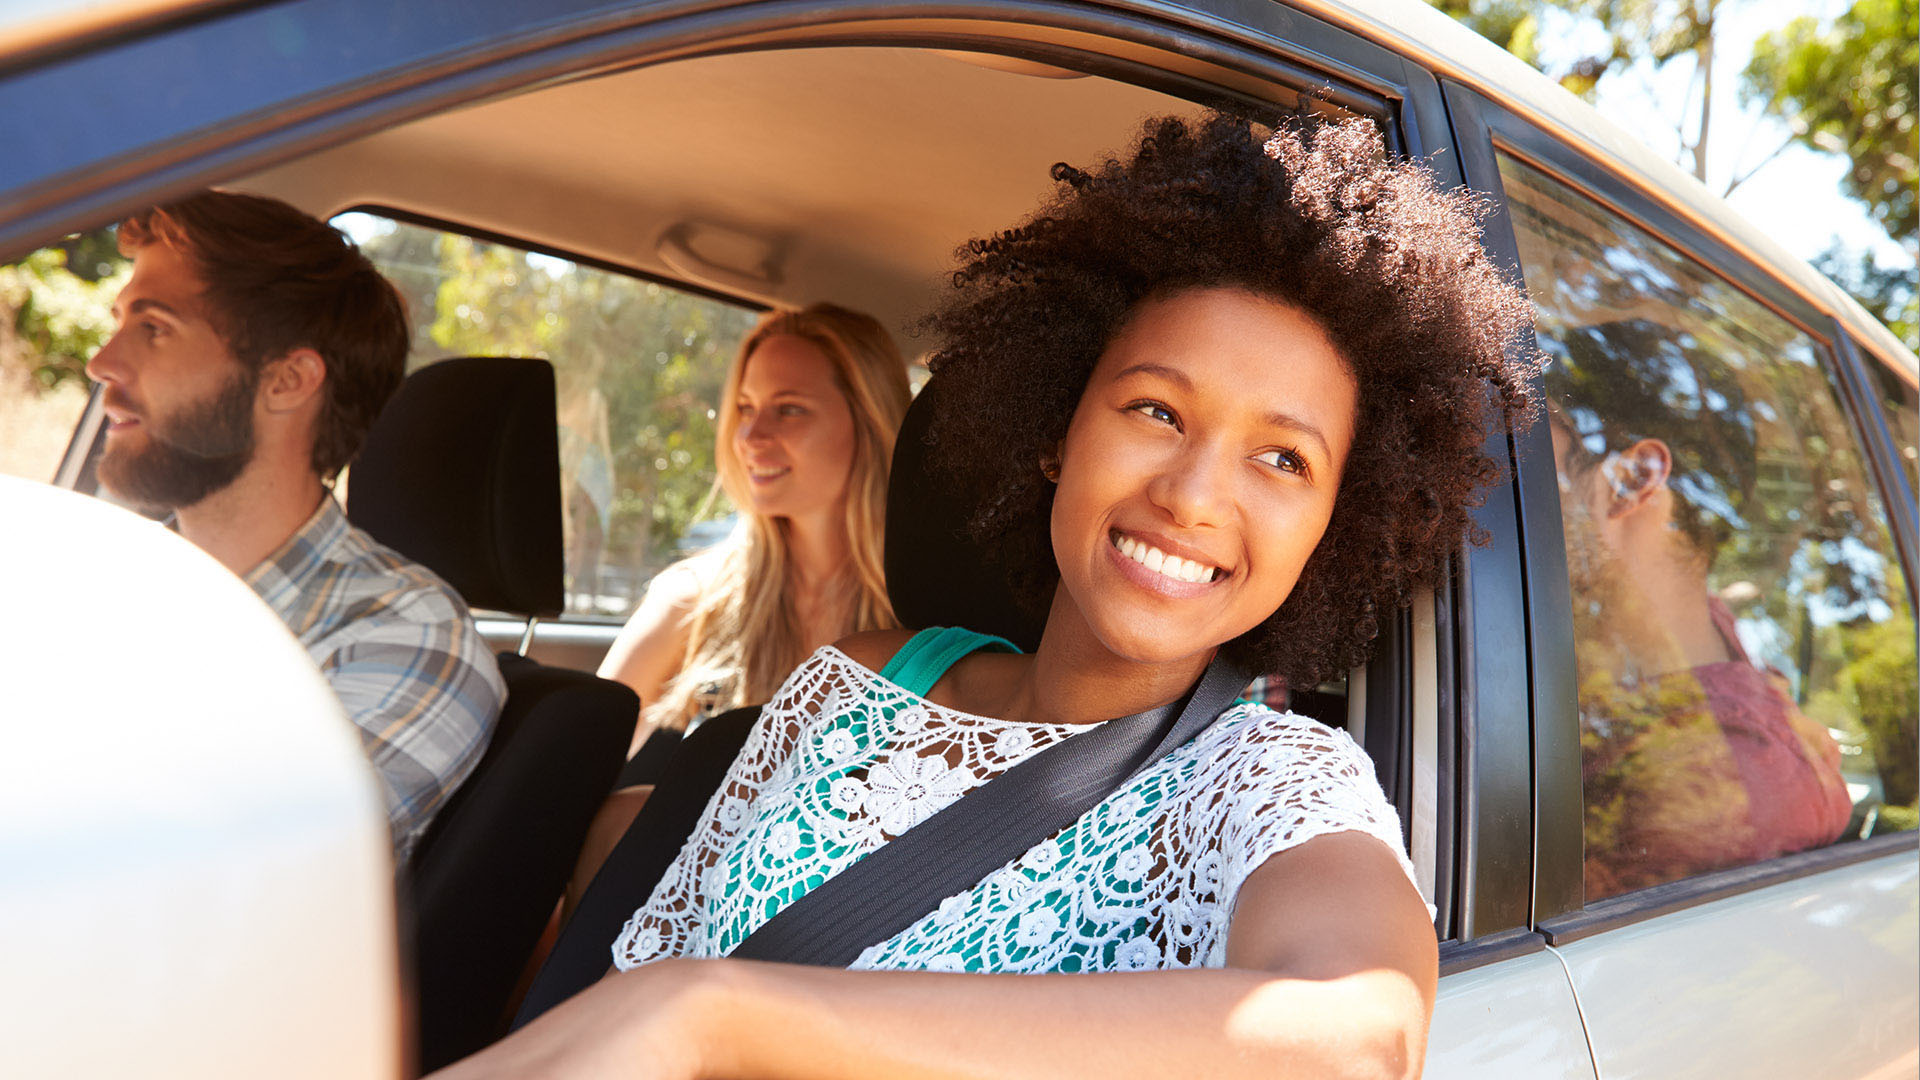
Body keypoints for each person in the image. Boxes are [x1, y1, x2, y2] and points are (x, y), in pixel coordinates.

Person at [436, 112, 1538, 1079]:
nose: (1194, 496)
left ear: (1332, 527)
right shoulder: (858, 681)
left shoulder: (1270, 782)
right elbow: (636, 964)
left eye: (1282, 460)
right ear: (1058, 433)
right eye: (1155, 411)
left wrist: (713, 1017)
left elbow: (1354, 1040)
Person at [86, 190, 504, 866]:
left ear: (286, 381)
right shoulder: (105, 585)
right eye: (119, 321)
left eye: (153, 327)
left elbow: (214, 874)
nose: (101, 361)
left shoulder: (405, 637)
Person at [1544, 319, 1852, 900]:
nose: (1511, 490)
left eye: (1542, 465)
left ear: (1633, 478)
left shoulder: (1715, 785)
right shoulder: (1699, 639)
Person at [597, 303, 912, 747]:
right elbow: (572, 770)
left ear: (870, 422)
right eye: (746, 408)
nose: (749, 436)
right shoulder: (692, 602)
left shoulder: (928, 616)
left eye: (789, 410)